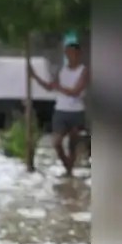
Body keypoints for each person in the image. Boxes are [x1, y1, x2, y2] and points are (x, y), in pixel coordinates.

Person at [29, 33, 89, 175]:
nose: (68, 56)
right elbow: (50, 87)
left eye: (71, 53)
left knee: (72, 145)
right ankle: (67, 166)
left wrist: (59, 87)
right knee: (57, 142)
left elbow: (75, 91)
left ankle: (69, 171)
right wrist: (35, 76)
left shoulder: (84, 71)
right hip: (61, 111)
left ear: (78, 54)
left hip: (76, 111)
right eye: (66, 54)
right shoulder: (62, 70)